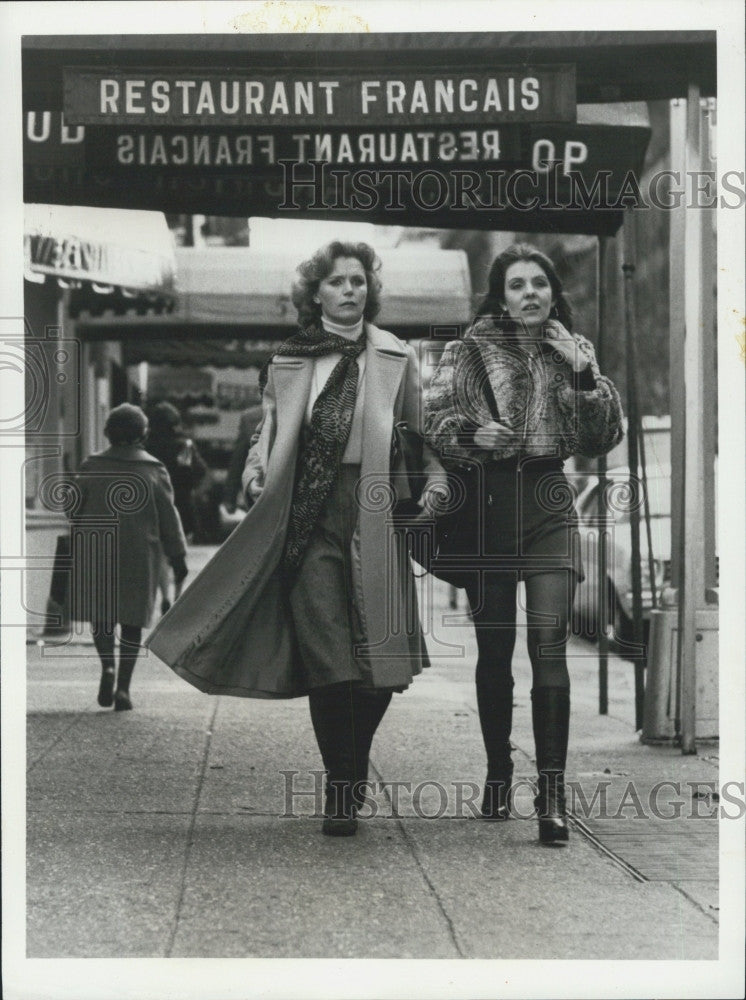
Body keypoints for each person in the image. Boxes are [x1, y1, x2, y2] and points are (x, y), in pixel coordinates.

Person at [147, 241, 446, 836]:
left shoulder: (396, 356)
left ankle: (350, 762)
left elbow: (420, 430)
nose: (350, 290)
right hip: (306, 516)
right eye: (337, 282)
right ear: (316, 293)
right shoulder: (288, 360)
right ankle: (342, 788)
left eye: (358, 281)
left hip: (375, 508)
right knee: (328, 658)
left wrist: (436, 479)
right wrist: (257, 466)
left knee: (381, 665)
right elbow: (270, 428)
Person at [424, 243, 624, 844]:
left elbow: (603, 437)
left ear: (553, 293)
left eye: (539, 283)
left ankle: (553, 797)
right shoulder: (467, 351)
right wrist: (472, 432)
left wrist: (585, 373)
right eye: (517, 285)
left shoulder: (573, 351)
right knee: (494, 652)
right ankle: (496, 772)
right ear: (501, 296)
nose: (530, 292)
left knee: (549, 647)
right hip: (487, 508)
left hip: (548, 507)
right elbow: (432, 422)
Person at [71, 404, 188, 711]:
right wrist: (178, 556)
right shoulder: (152, 469)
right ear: (143, 435)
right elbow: (169, 518)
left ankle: (107, 666)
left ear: (108, 432)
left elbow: (72, 508)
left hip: (97, 550)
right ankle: (123, 688)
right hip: (139, 553)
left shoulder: (91, 465)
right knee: (132, 620)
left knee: (102, 615)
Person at [145, 401, 208, 609]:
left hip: (153, 503)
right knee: (180, 551)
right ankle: (177, 595)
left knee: (161, 552)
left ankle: (164, 596)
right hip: (181, 503)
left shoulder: (146, 445)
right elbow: (200, 471)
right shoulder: (185, 445)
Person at [222, 403, 264, 515]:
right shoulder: (301, 412)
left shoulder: (251, 418)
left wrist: (230, 497)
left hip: (260, 489)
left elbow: (238, 460)